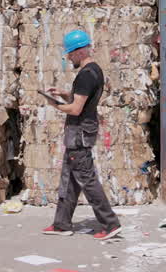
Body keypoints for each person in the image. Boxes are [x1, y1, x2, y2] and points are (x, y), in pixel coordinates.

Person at [40, 29, 122, 240]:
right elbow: (82, 97)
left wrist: (55, 104)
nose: (68, 57)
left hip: (80, 133)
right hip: (79, 131)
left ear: (79, 51)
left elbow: (76, 108)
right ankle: (61, 223)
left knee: (87, 179)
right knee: (69, 178)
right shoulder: (94, 71)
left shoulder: (86, 75)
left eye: (69, 53)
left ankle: (110, 223)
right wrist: (63, 94)